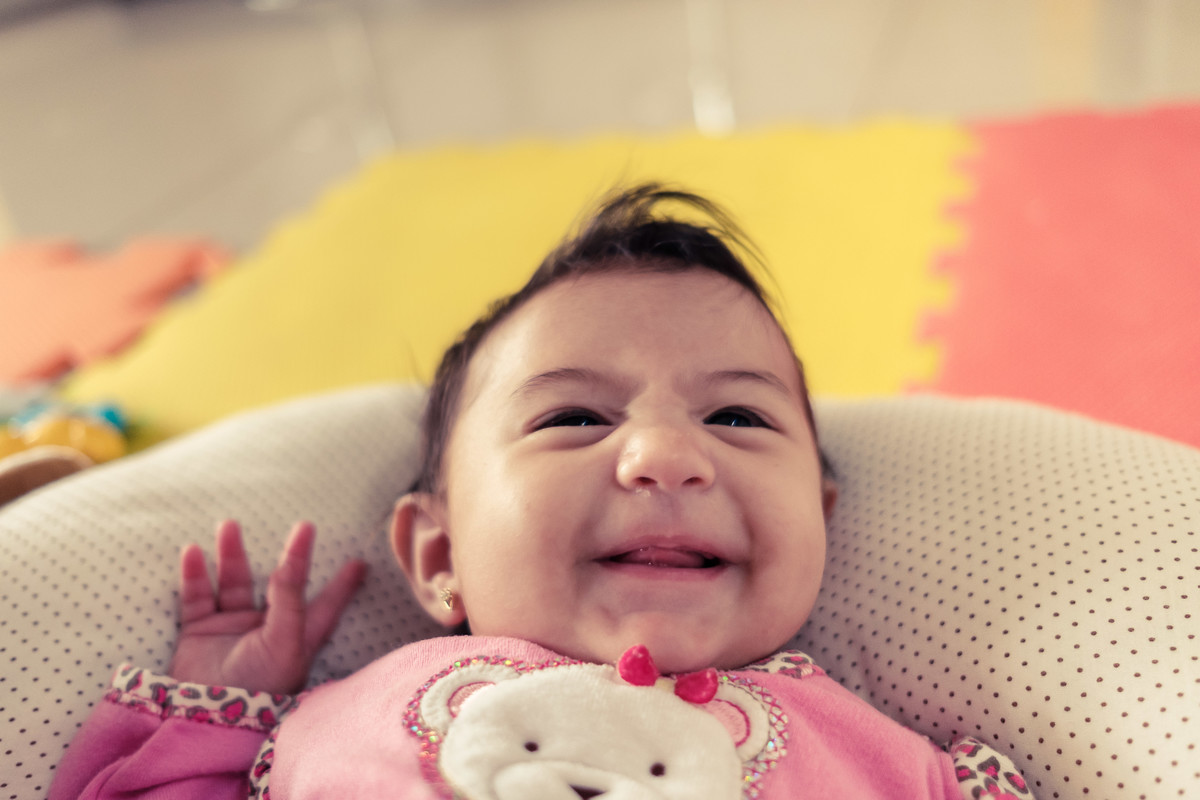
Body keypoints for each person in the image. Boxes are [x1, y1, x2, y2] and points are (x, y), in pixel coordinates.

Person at [49, 184, 1034, 800]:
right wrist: (215, 707)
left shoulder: (880, 760)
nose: (661, 455)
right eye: (574, 418)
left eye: (737, 418)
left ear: (817, 517)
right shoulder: (332, 719)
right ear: (438, 555)